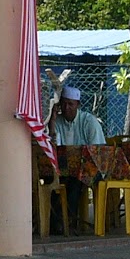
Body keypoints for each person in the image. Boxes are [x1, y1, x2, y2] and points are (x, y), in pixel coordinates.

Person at [48, 85, 104, 234]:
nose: (67, 108)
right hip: (63, 169)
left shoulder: (89, 121)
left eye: (71, 104)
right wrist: (52, 121)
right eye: (64, 104)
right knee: (52, 180)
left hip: (90, 169)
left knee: (75, 181)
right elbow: (53, 144)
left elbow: (97, 151)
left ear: (78, 105)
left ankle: (68, 222)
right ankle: (56, 222)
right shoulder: (58, 122)